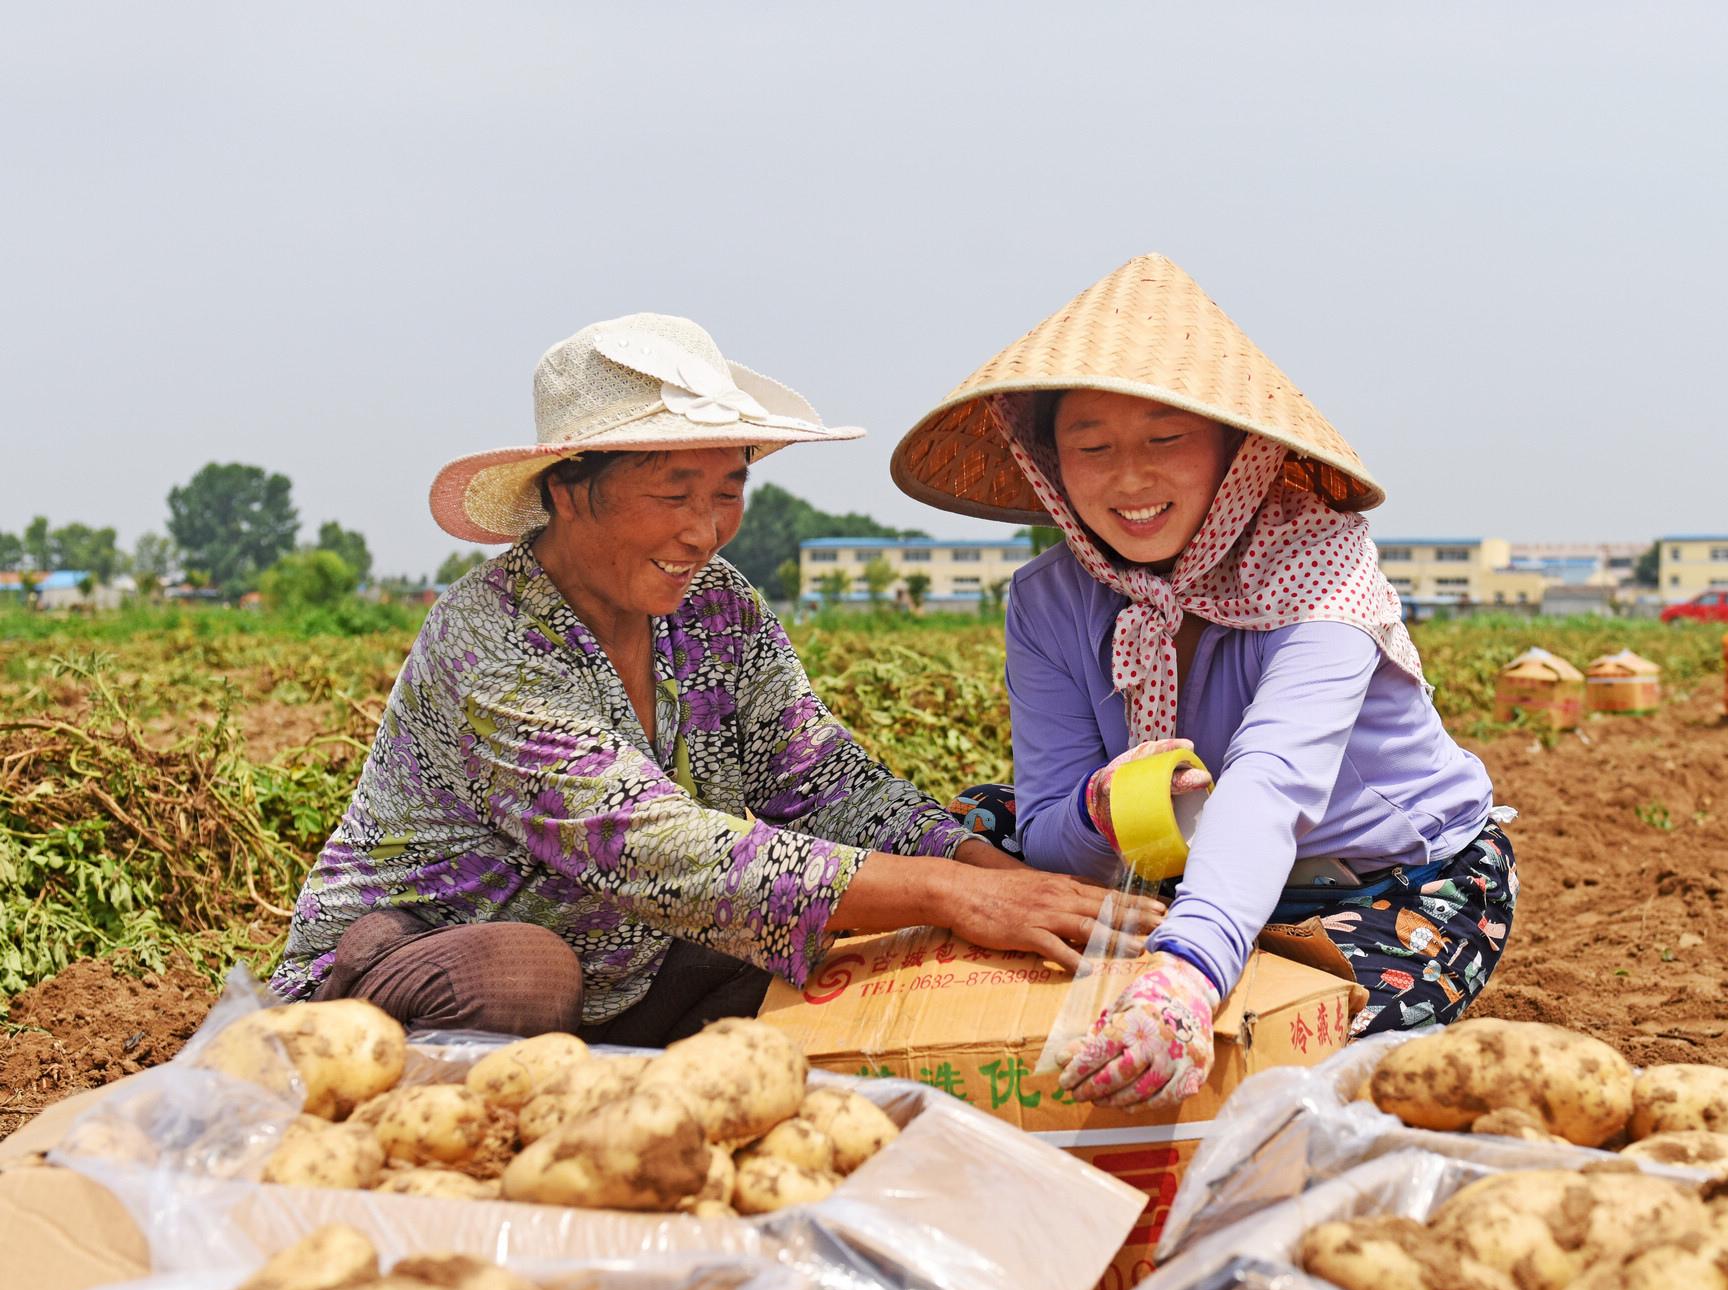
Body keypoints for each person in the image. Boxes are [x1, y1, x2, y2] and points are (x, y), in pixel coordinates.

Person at [271, 313, 1158, 1043]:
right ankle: (337, 1049)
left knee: (846, 948)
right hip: (438, 965)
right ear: (572, 491)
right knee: (524, 977)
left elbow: (825, 782)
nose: (705, 531)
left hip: (629, 969)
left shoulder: (716, 607)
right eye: (672, 493)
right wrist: (953, 893)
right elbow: (651, 847)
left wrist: (981, 867)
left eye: (727, 490)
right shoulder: (489, 638)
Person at [893, 255, 1516, 1109]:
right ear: (1050, 464)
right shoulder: (1050, 600)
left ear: (1236, 447)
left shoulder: (1319, 568)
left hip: (1383, 882)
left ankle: (1196, 967)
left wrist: (1184, 973)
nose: (1130, 478)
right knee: (961, 829)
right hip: (1175, 868)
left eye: (1166, 438)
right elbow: (1044, 826)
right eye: (1093, 446)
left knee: (1286, 1055)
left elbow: (1267, 788)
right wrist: (1097, 811)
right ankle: (1184, 951)